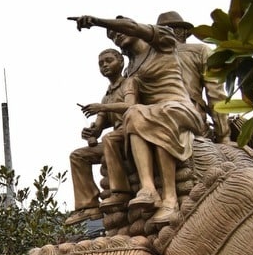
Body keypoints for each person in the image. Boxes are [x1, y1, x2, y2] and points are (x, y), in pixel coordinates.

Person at [71, 14, 204, 226]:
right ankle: (148, 190)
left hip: (178, 108)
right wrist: (95, 128)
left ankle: (170, 199)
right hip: (149, 113)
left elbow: (131, 26)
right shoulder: (130, 69)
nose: (117, 35)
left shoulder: (162, 42)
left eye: (118, 30)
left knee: (142, 115)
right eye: (112, 36)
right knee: (138, 117)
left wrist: (97, 22)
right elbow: (115, 111)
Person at [65, 47, 131, 225]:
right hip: (114, 140)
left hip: (132, 135)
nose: (104, 66)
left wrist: (102, 108)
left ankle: (120, 191)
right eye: (101, 63)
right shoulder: (106, 96)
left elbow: (130, 106)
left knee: (109, 138)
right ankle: (88, 206)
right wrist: (90, 132)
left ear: (121, 62)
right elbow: (98, 127)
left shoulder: (129, 84)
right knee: (78, 156)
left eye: (109, 61)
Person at [156, 10, 230, 142]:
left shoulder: (149, 60)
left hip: (157, 124)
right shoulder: (201, 51)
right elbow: (216, 95)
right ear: (183, 32)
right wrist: (223, 136)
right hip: (192, 121)